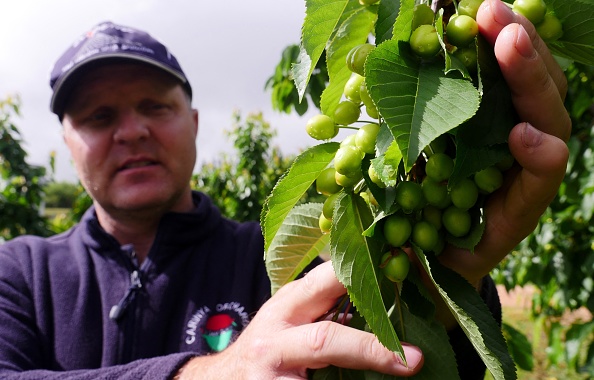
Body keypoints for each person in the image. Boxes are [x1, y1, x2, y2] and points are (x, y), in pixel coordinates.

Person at [0, 0, 570, 378]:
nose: (132, 130)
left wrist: (440, 294)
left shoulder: (281, 265)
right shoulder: (18, 274)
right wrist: (208, 372)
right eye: (98, 117)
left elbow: (374, 363)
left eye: (155, 106)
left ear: (194, 124)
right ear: (67, 142)